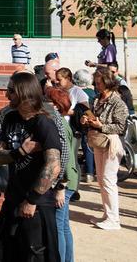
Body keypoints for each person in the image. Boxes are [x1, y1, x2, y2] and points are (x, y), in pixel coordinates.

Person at [0, 71, 62, 262]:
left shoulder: (44, 123)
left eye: (10, 91)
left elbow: (53, 166)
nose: (6, 95)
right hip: (13, 200)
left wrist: (32, 200)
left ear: (23, 93)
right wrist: (20, 152)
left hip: (37, 207)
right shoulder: (9, 119)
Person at [82, 67, 128, 230]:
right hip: (98, 141)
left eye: (99, 82)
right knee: (101, 180)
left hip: (111, 142)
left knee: (108, 180)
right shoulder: (96, 99)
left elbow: (121, 127)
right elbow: (93, 116)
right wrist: (86, 120)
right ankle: (107, 214)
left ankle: (114, 219)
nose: (96, 84)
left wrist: (101, 126)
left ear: (107, 82)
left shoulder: (117, 102)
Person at [46, 88, 79, 262]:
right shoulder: (60, 120)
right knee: (64, 226)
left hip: (64, 182)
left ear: (55, 105)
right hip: (70, 178)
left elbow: (64, 155)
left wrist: (60, 186)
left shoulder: (57, 122)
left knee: (58, 227)